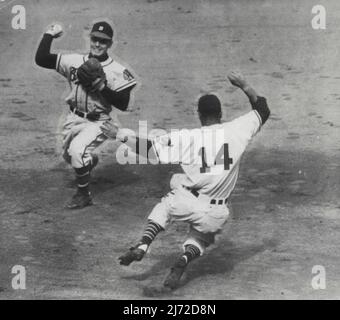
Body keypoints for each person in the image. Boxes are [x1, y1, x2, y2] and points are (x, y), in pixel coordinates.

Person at [101, 71, 270, 290]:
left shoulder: (188, 137)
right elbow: (263, 110)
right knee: (201, 237)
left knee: (166, 204)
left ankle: (144, 244)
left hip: (186, 203)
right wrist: (244, 85)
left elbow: (150, 150)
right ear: (221, 113)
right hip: (217, 213)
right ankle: (184, 259)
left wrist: (120, 135)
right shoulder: (238, 129)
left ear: (200, 115)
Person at [35, 21, 137, 209]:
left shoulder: (118, 71)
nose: (98, 44)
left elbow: (123, 103)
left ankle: (84, 195)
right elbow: (41, 59)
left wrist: (101, 87)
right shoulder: (74, 61)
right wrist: (49, 34)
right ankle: (89, 161)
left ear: (110, 44)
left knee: (77, 151)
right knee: (70, 156)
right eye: (95, 39)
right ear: (90, 39)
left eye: (103, 42)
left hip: (99, 122)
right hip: (73, 120)